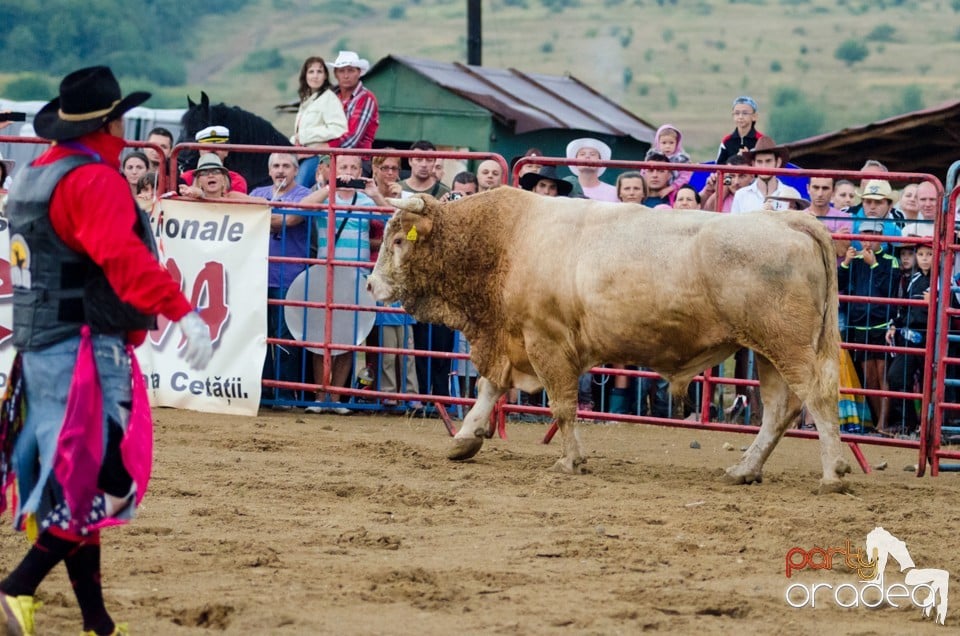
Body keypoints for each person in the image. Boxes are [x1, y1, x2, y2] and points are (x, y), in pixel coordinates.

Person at [1, 65, 212, 636]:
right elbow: (123, 259)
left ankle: (97, 622)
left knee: (73, 483)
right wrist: (183, 312)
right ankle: (17, 586)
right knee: (106, 482)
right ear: (111, 120)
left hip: (36, 350)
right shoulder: (94, 182)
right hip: (83, 353)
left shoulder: (33, 175)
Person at [301, 154, 373, 414]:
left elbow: (392, 214)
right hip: (327, 274)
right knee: (321, 338)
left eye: (354, 167)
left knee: (348, 338)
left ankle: (337, 397)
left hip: (357, 276)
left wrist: (375, 193)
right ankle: (320, 396)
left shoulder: (365, 199)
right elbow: (302, 206)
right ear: (332, 170)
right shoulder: (324, 195)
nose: (349, 172)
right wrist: (328, 187)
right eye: (343, 167)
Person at [247, 154, 312, 408]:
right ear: (268, 169)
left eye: (286, 166)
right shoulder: (258, 191)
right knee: (260, 337)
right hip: (258, 276)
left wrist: (265, 215)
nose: (281, 170)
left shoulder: (304, 194)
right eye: (276, 166)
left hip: (290, 277)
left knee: (285, 339)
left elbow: (292, 220)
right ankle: (262, 392)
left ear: (296, 171)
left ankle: (284, 394)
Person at [838, 220, 899, 430]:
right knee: (869, 378)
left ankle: (883, 424)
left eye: (872, 234)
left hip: (881, 325)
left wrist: (873, 264)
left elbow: (889, 288)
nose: (867, 239)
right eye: (864, 234)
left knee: (883, 376)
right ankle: (876, 422)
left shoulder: (890, 260)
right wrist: (845, 262)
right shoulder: (854, 260)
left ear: (881, 237)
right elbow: (839, 284)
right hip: (859, 326)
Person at [885, 243, 932, 436]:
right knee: (896, 376)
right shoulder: (912, 280)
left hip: (932, 339)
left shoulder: (942, 279)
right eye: (920, 254)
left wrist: (933, 304)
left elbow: (952, 306)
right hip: (911, 338)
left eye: (929, 254)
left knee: (930, 383)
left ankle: (929, 426)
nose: (924, 258)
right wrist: (894, 324)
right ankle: (909, 422)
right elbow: (903, 309)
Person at [290, 56, 348, 189]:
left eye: (319, 72)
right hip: (301, 154)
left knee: (299, 186)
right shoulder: (306, 100)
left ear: (325, 76)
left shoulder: (330, 98)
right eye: (311, 72)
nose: (315, 76)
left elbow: (339, 128)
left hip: (318, 157)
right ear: (305, 75)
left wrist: (307, 136)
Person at [730, 137, 801, 213]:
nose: (764, 167)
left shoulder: (792, 194)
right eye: (759, 162)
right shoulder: (741, 195)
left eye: (768, 161)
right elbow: (735, 224)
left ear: (778, 162)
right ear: (753, 164)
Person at [327, 51, 379, 152]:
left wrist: (322, 147)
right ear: (335, 74)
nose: (346, 76)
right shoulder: (331, 97)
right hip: (329, 155)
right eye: (341, 71)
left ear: (359, 72)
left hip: (357, 159)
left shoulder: (366, 98)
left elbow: (351, 139)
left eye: (350, 71)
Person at [180, 125, 248, 194]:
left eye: (218, 146)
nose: (213, 149)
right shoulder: (185, 178)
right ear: (199, 150)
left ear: (227, 151)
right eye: (207, 146)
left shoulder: (237, 181)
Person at [177, 153, 260, 201]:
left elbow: (263, 203)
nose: (211, 175)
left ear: (224, 180)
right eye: (205, 173)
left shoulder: (233, 197)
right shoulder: (190, 200)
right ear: (199, 181)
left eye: (216, 172)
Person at [805, 176, 851, 261]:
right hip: (807, 271)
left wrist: (816, 227)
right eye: (816, 187)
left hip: (835, 272)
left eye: (825, 188)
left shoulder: (843, 217)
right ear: (808, 188)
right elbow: (803, 251)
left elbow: (841, 251)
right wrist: (834, 236)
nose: (820, 193)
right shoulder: (800, 216)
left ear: (833, 192)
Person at [716, 95, 765, 165]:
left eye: (745, 113)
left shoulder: (761, 141)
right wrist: (736, 159)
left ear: (754, 116)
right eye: (737, 113)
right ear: (733, 116)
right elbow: (719, 166)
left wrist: (748, 159)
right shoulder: (727, 141)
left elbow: (766, 167)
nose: (740, 117)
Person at [652, 124, 692, 200]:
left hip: (675, 191)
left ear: (677, 143)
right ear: (658, 142)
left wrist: (671, 188)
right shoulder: (652, 157)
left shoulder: (682, 160)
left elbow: (685, 177)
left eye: (671, 143)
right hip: (653, 190)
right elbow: (644, 173)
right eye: (664, 143)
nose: (667, 146)